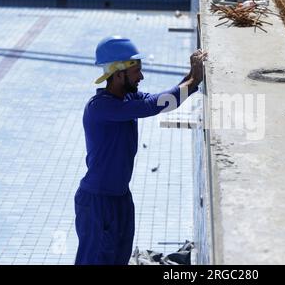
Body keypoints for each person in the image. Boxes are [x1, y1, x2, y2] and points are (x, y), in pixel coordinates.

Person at [74, 36, 206, 265]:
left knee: (118, 260)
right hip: (97, 202)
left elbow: (162, 100)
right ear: (118, 74)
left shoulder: (127, 98)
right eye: (137, 71)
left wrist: (192, 79)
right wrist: (193, 80)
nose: (141, 77)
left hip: (121, 198)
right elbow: (151, 105)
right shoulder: (101, 107)